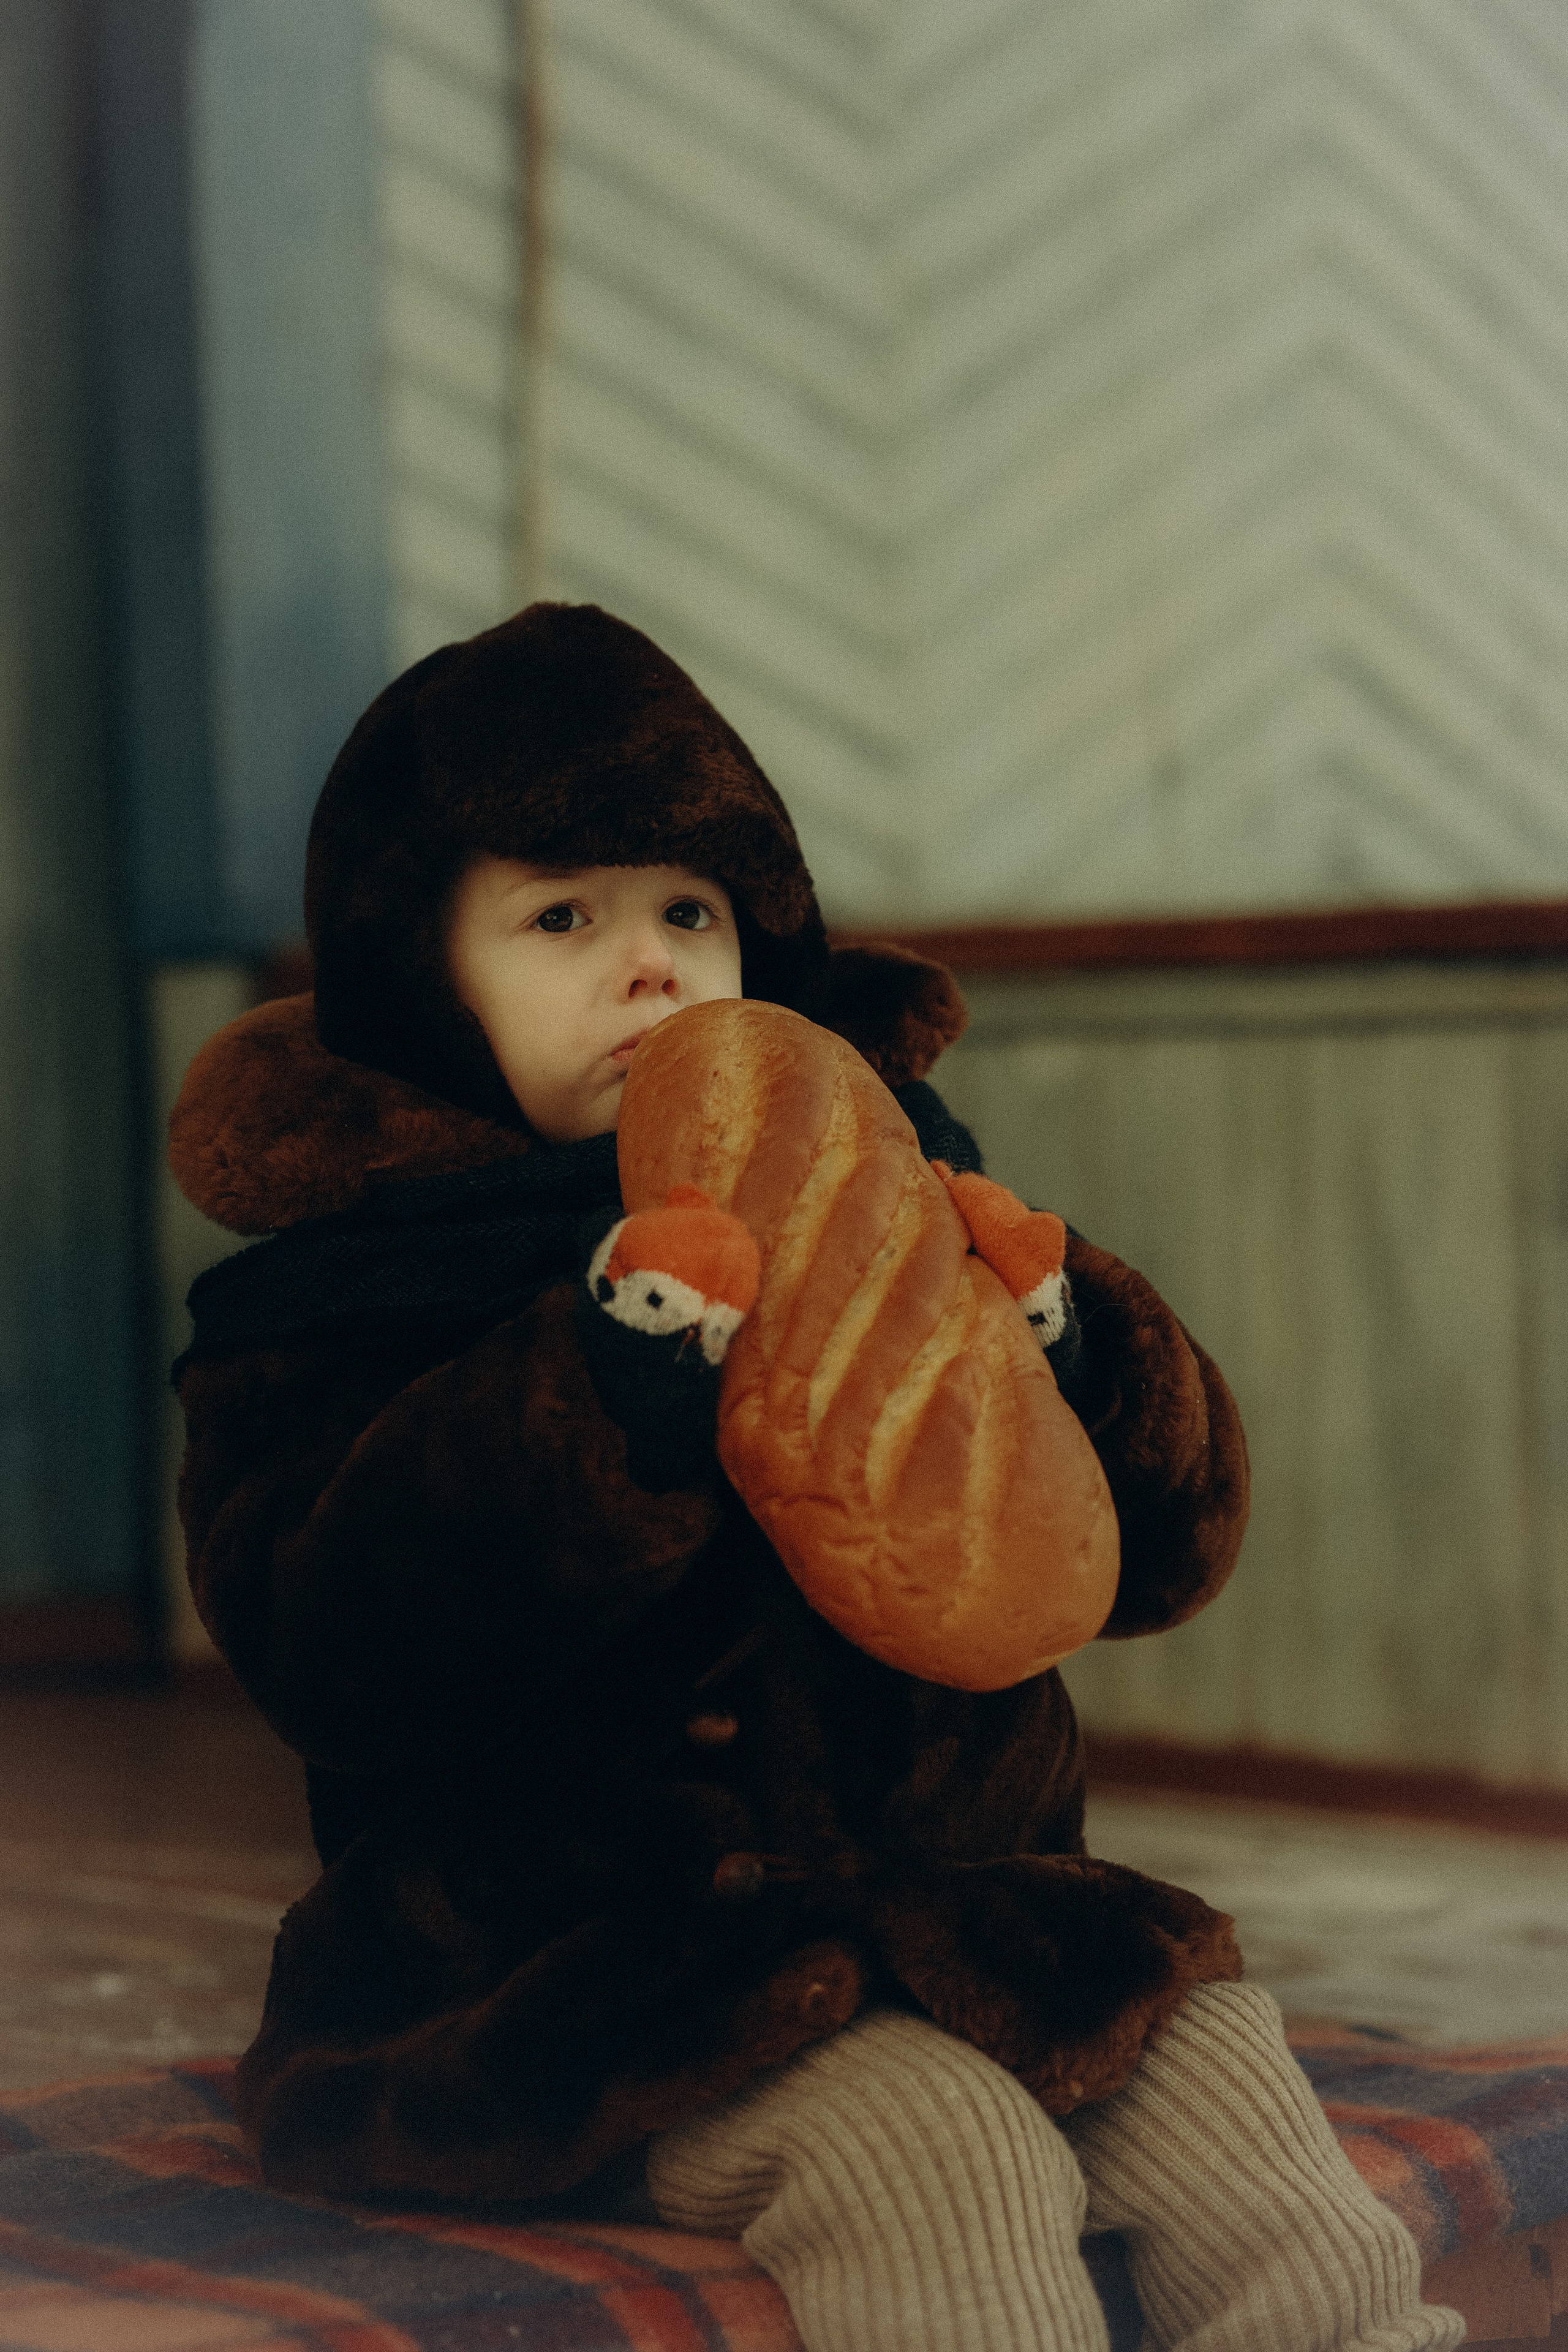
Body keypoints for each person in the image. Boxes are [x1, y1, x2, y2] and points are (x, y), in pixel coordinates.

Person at [170, 603, 1461, 2352]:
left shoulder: (893, 1195)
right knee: (941, 2150)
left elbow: (1154, 1551)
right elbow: (323, 1646)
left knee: (1228, 2082)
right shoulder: (339, 1296)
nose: (653, 966)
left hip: (965, 1901)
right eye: (564, 916)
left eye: (690, 912)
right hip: (581, 1975)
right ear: (422, 978)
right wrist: (601, 1396)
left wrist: (1072, 1346)